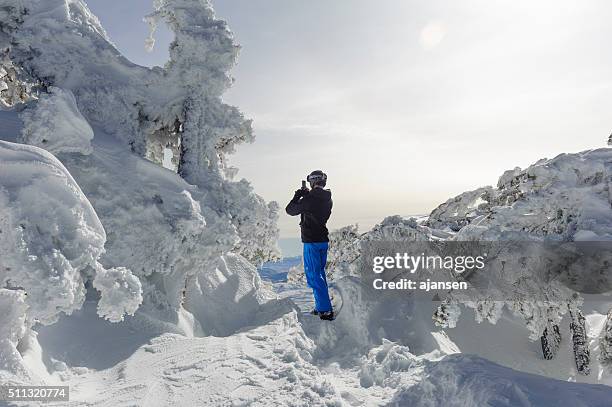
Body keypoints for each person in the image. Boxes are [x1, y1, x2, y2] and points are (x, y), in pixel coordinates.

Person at [285, 170, 334, 320]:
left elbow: (290, 210)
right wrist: (307, 196)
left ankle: (325, 310)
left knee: (313, 275)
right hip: (322, 240)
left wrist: (298, 195)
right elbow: (313, 208)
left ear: (313, 181)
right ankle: (321, 306)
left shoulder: (309, 199)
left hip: (311, 241)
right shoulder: (327, 198)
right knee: (320, 274)